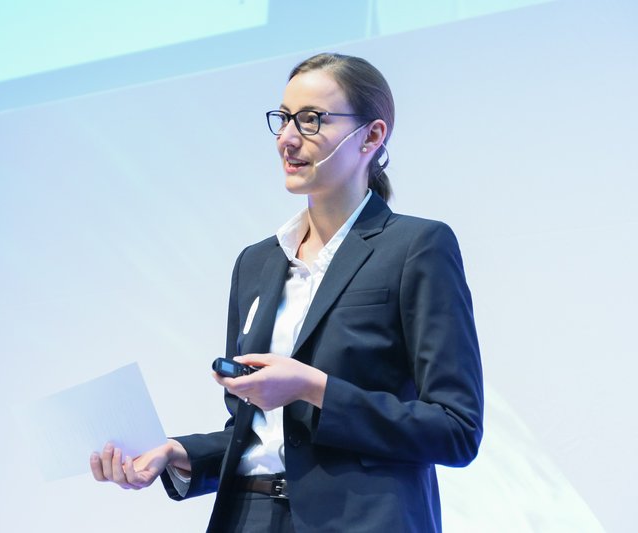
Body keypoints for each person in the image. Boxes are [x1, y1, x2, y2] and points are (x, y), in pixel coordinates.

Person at [90, 52, 483, 533]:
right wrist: (178, 452)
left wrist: (313, 388)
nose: (287, 138)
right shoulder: (256, 262)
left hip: (362, 520)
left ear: (372, 136)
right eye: (283, 118)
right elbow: (258, 433)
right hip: (248, 516)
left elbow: (455, 430)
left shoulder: (416, 247)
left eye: (312, 120)